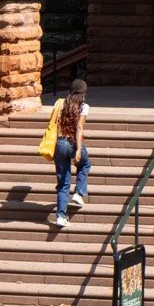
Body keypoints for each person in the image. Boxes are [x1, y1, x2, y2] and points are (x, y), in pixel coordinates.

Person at [48, 76, 89, 230]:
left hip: (58, 143)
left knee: (63, 182)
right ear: (83, 93)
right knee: (85, 163)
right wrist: (78, 149)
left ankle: (60, 216)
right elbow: (79, 128)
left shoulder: (59, 103)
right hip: (71, 143)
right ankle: (79, 192)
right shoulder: (84, 106)